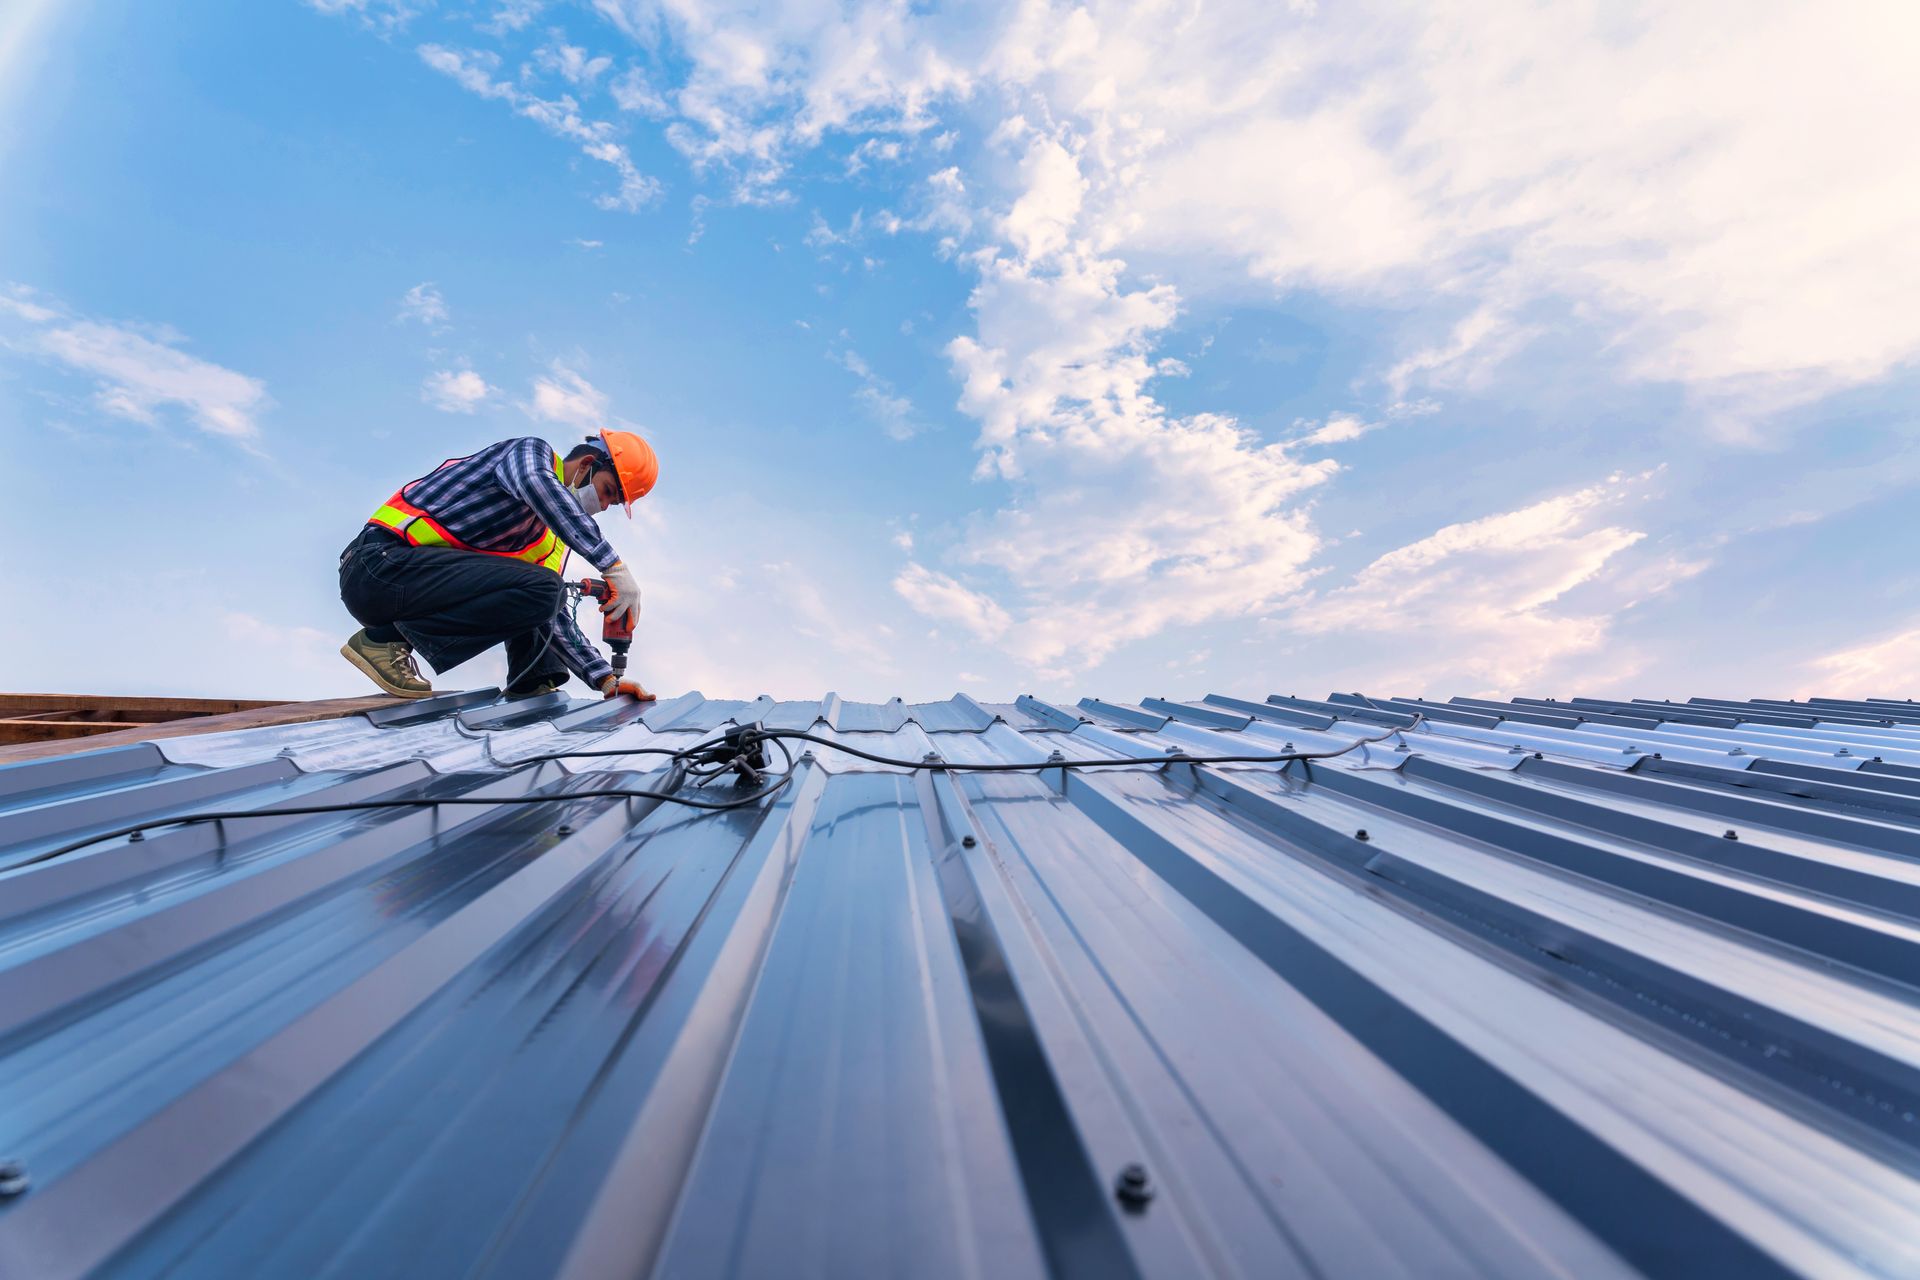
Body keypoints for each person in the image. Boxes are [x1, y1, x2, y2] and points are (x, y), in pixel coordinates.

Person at [337, 431, 658, 702]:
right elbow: (538, 486)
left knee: (545, 592)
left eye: (610, 504)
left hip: (418, 588)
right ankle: (382, 641)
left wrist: (604, 679)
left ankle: (531, 681)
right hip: (377, 567)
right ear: (588, 465)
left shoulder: (547, 538)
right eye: (606, 492)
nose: (601, 506)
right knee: (546, 585)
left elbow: (552, 612)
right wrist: (613, 567)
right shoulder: (530, 455)